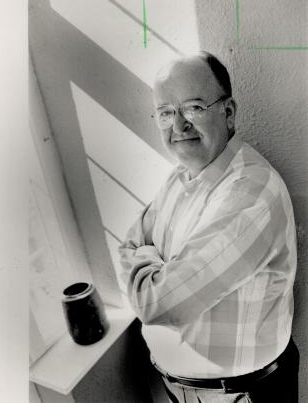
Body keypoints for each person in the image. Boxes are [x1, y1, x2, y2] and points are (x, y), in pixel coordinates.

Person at [118, 52, 299, 402]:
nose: (178, 126)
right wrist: (151, 263)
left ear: (228, 113)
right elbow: (126, 243)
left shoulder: (250, 191)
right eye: (166, 113)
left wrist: (148, 262)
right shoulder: (179, 178)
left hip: (239, 396)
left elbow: (157, 304)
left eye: (194, 108)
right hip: (182, 390)